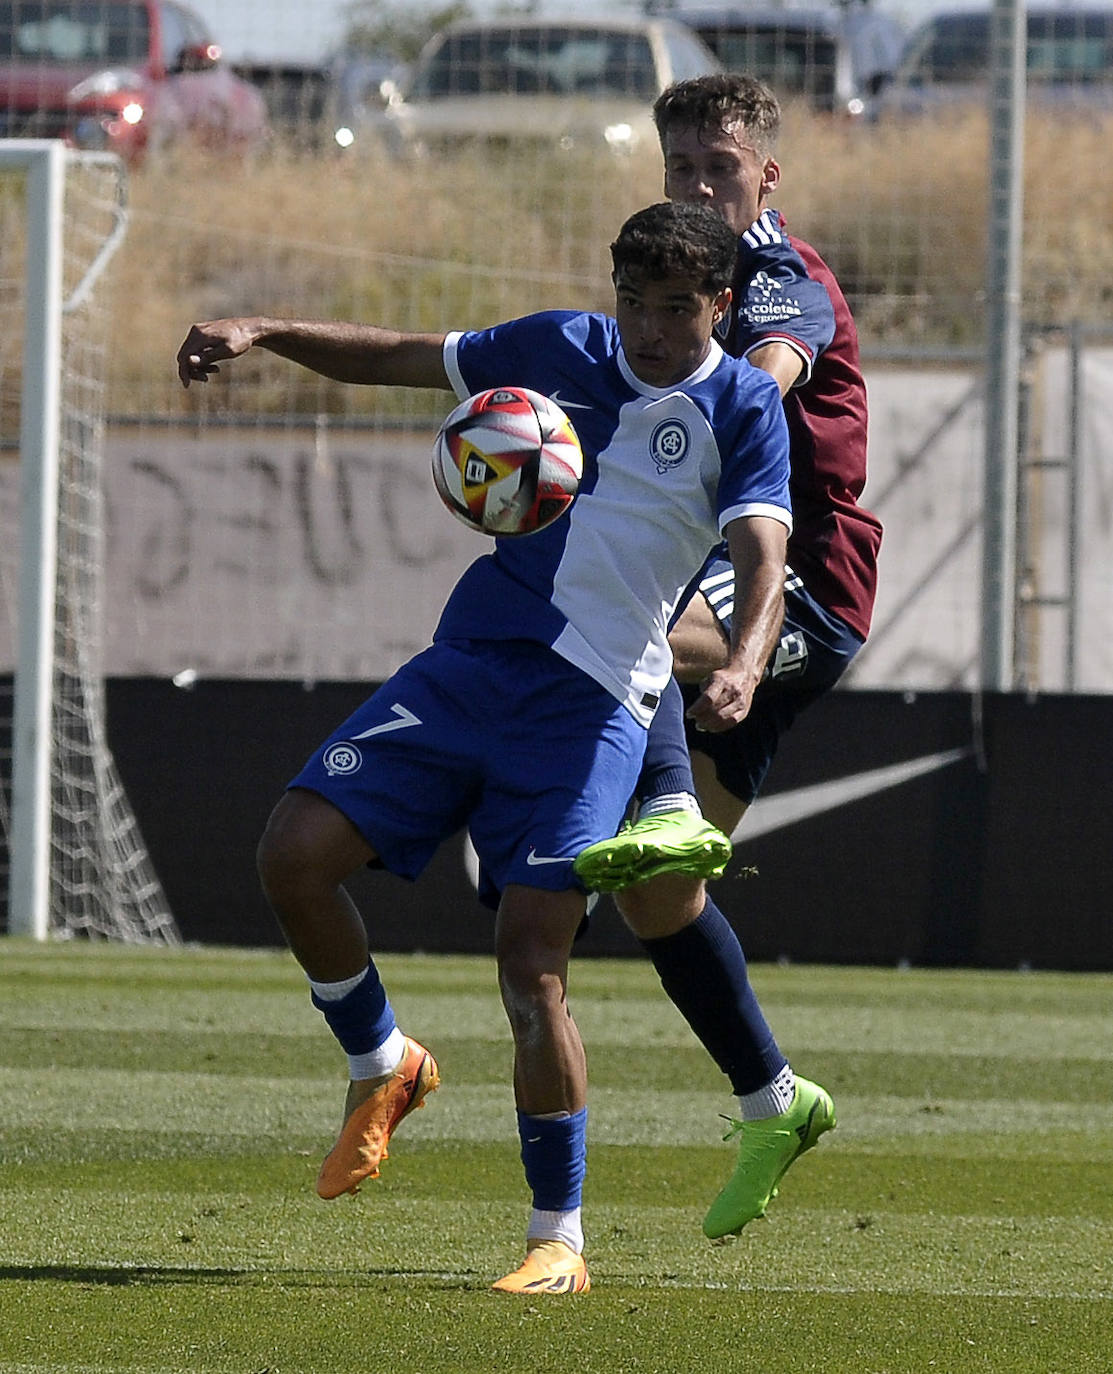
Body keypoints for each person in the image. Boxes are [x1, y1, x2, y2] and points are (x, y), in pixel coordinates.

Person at [175, 201, 794, 1295]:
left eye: (677, 309)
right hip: (468, 666)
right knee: (294, 852)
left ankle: (559, 1239)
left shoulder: (741, 403)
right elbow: (409, 359)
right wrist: (264, 330)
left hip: (594, 703)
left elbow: (762, 548)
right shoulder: (561, 347)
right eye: (635, 305)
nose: (650, 330)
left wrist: (743, 659)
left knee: (531, 965)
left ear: (722, 306)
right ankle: (384, 1062)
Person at [574, 74, 883, 1241]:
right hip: (724, 584)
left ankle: (577, 805)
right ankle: (775, 1099)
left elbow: (767, 377)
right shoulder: (670, 287)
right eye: (681, 169)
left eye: (720, 167)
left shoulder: (777, 282)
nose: (700, 186)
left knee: (623, 616)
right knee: (663, 898)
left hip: (806, 587)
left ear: (766, 177)